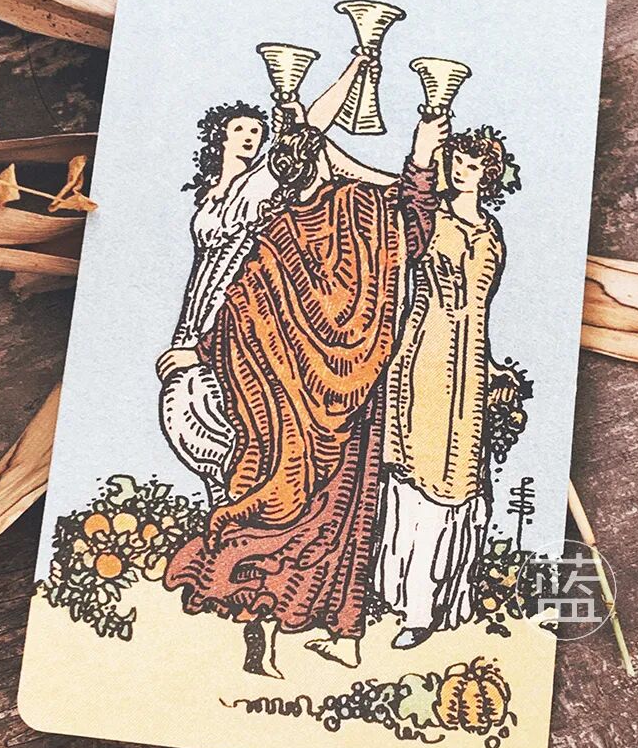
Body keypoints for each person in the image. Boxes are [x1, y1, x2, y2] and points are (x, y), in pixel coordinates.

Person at [162, 112, 446, 677]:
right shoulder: (361, 209)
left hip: (284, 414)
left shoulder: (281, 230)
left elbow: (242, 309)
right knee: (341, 521)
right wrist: (420, 159)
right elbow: (414, 231)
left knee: (276, 508)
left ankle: (271, 628)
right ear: (322, 161)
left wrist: (201, 352)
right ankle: (335, 628)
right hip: (353, 401)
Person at [156, 49, 375, 500]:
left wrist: (355, 66)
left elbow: (313, 127)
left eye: (257, 131)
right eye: (241, 130)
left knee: (218, 409)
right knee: (181, 407)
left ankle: (238, 496)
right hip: (195, 312)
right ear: (219, 137)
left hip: (233, 310)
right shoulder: (211, 194)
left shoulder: (260, 184)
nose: (250, 137)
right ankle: (225, 496)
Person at [378, 122, 521, 647]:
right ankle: (405, 601)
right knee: (414, 480)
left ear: (489, 174)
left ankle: (433, 604)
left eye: (473, 165)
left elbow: (481, 310)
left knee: (455, 485)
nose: (462, 171)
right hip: (421, 356)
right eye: (456, 161)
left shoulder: (492, 234)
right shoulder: (428, 218)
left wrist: (493, 368)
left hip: (469, 370)